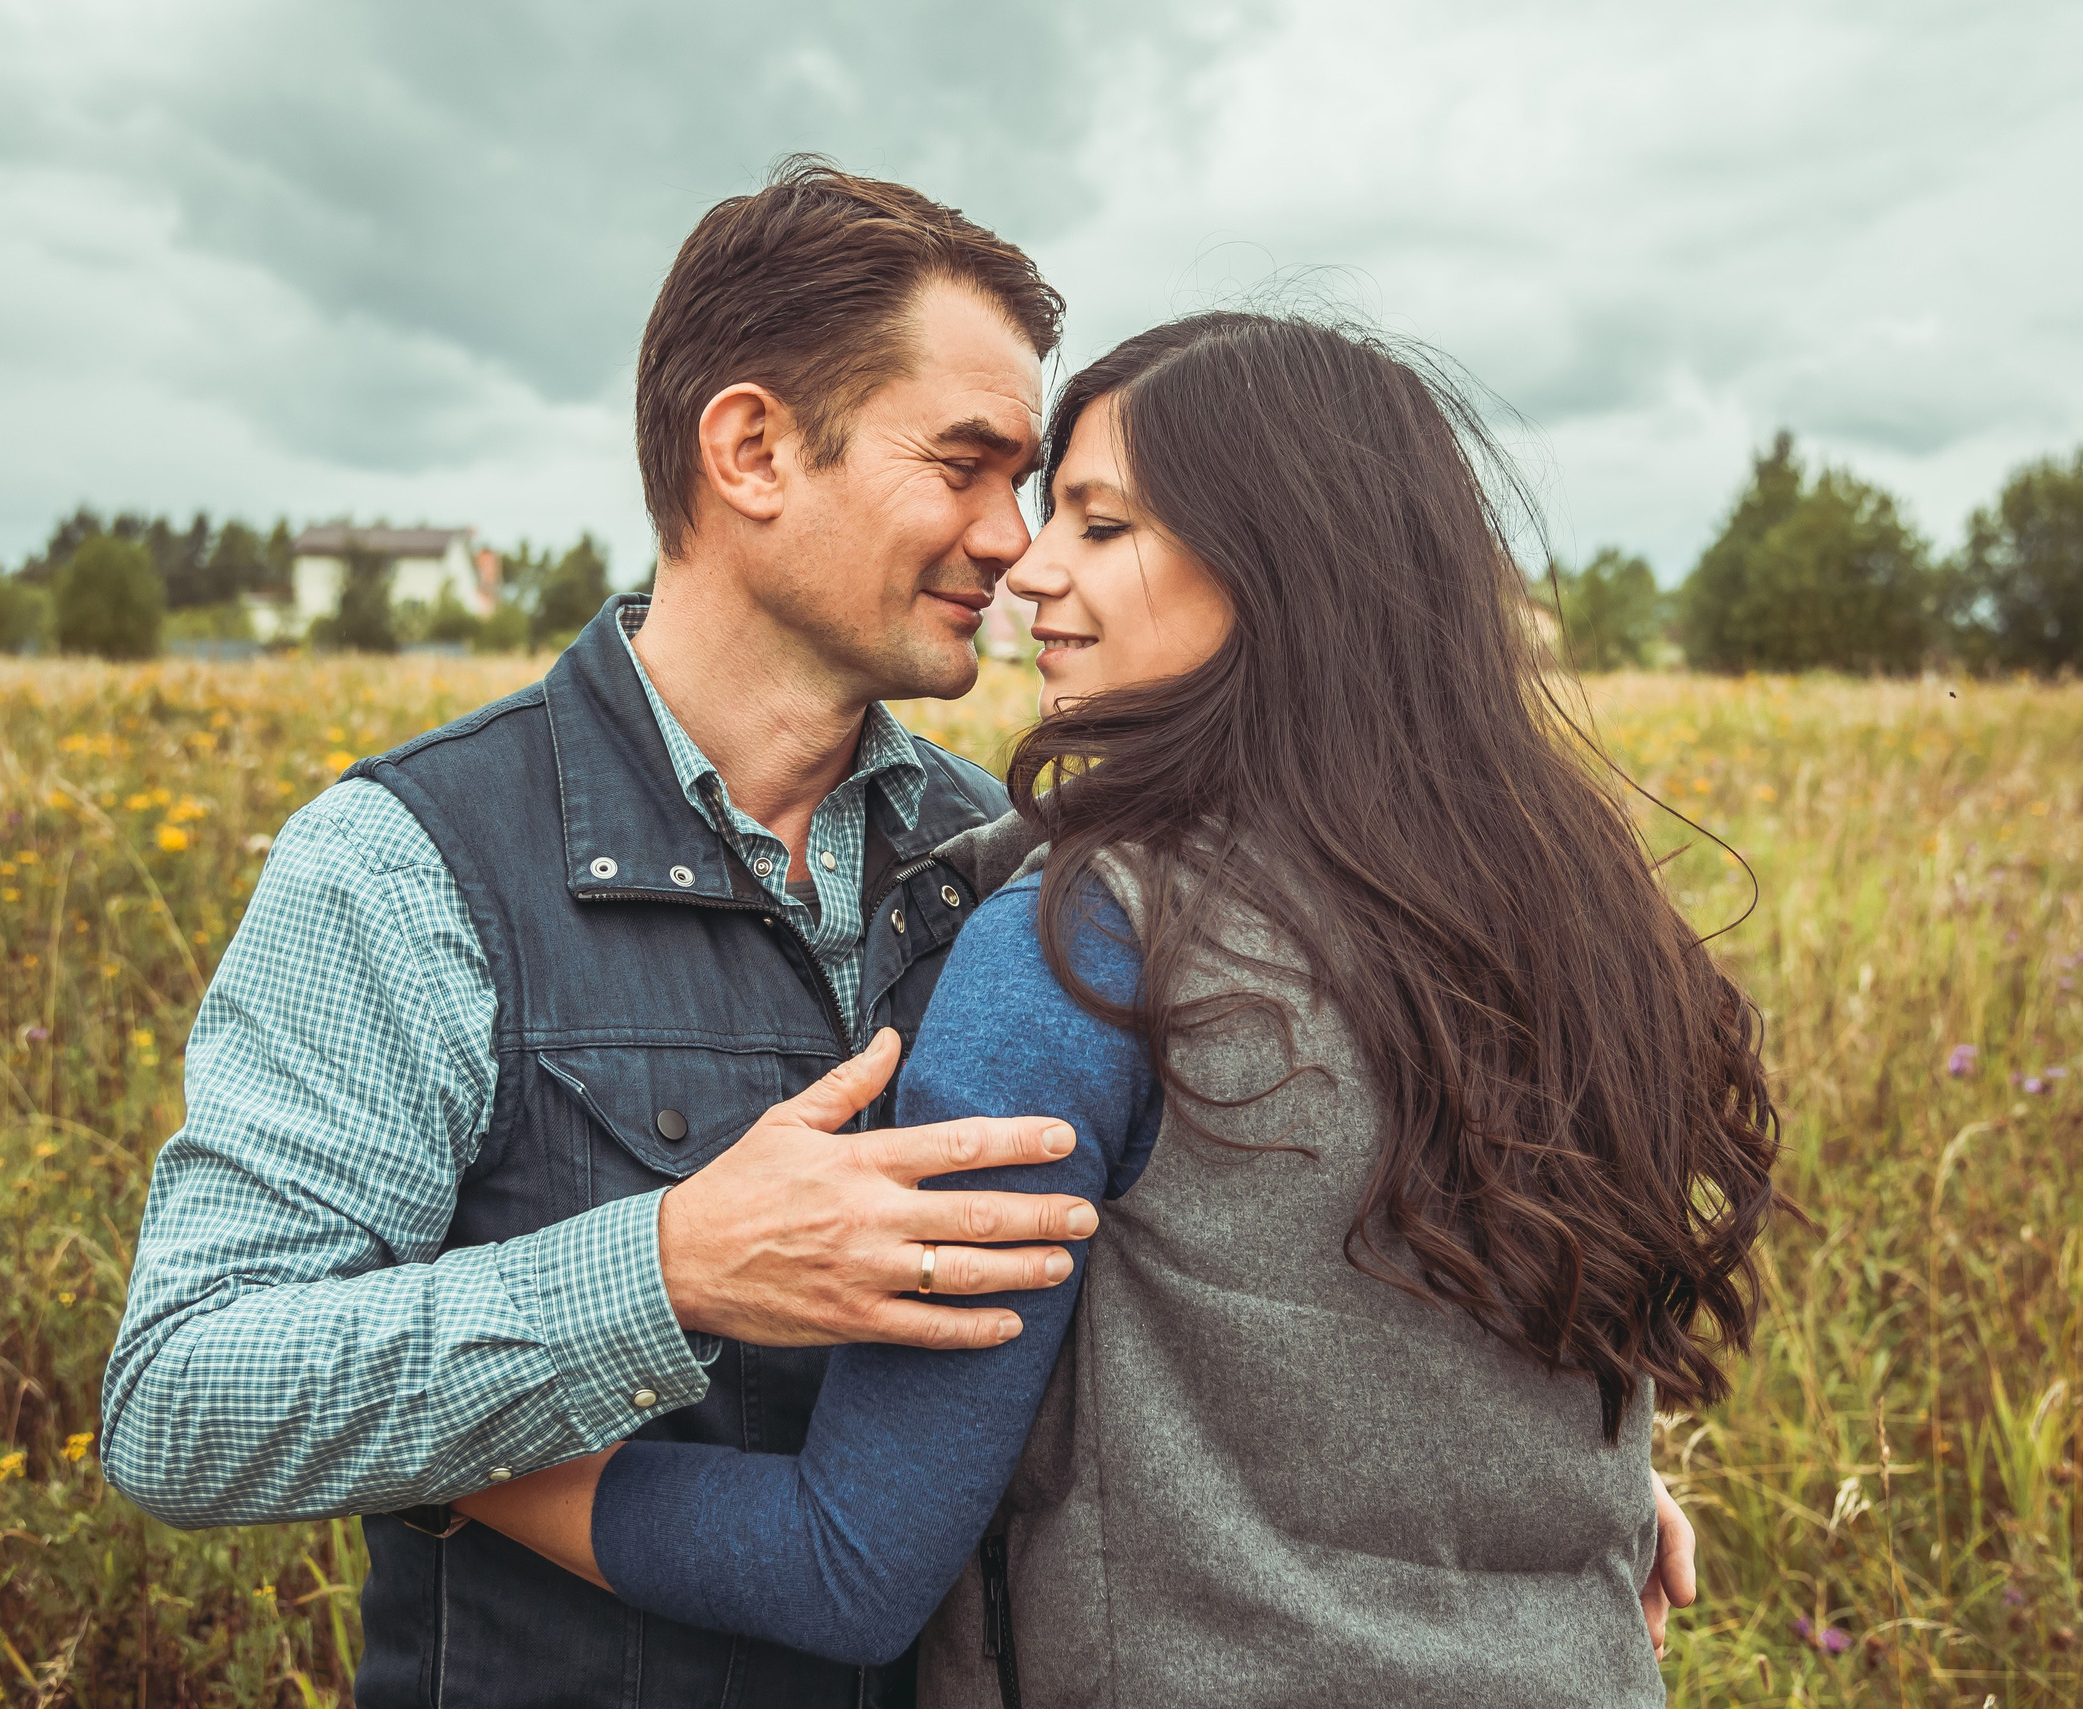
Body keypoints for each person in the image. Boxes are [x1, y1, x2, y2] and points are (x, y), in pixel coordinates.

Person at [453, 312, 1776, 1707]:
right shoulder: (1582, 928)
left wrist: (458, 1464)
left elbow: (849, 1561)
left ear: (1282, 565)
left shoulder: (1089, 942)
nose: (1027, 564)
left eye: (1101, 525)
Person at [102, 161, 1097, 1708]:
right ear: (753, 449)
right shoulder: (408, 865)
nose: (1016, 542)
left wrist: (1531, 1480)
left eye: (1028, 481)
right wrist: (668, 1267)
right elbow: (184, 1396)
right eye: (966, 465)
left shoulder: (1010, 859)